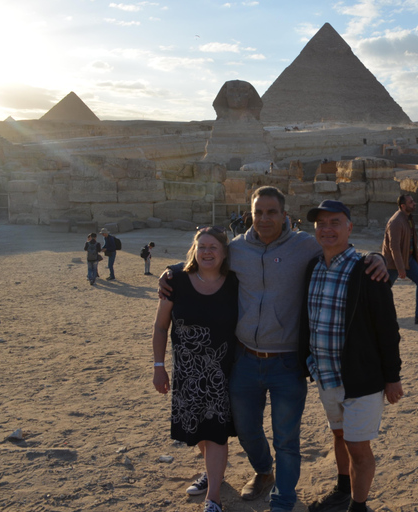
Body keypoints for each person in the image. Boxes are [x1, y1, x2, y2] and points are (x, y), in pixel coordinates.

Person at [158, 187, 387, 512]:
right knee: (247, 429)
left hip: (287, 364)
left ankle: (283, 500)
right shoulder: (237, 249)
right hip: (246, 360)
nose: (265, 219)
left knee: (287, 441)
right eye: (259, 212)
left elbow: (338, 248)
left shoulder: (305, 246)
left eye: (271, 212)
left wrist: (375, 257)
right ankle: (264, 472)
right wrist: (172, 270)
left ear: (284, 215)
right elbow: (207, 256)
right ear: (251, 214)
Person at [300, 200, 402, 512]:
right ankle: (344, 490)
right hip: (326, 373)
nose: (327, 229)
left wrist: (392, 377)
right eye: (321, 224)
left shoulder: (368, 270)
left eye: (334, 223)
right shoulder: (313, 268)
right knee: (340, 435)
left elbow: (387, 328)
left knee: (358, 448)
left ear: (349, 228)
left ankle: (359, 506)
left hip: (361, 377)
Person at [152, 227, 238, 512]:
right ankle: (212, 474)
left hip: (222, 372)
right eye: (202, 246)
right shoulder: (175, 280)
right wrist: (158, 366)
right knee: (199, 429)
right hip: (187, 373)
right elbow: (161, 326)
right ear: (194, 249)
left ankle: (213, 498)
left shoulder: (236, 282)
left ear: (225, 252)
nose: (207, 252)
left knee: (216, 431)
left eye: (214, 246)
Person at [382, 194, 418, 324]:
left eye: (413, 201)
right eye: (411, 202)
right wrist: (400, 268)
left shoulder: (408, 218)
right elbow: (394, 247)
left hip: (408, 258)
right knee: (382, 290)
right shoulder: (396, 222)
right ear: (403, 206)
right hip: (393, 262)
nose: (414, 203)